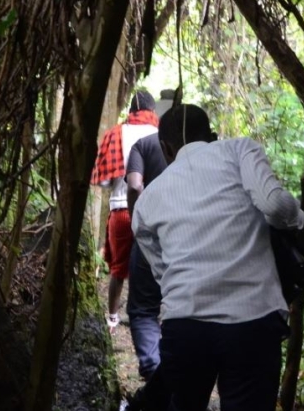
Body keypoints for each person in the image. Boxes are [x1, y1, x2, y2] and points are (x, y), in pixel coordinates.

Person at [131, 105, 304, 411]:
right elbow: (277, 207)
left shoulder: (147, 201)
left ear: (165, 149)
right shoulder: (239, 150)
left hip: (185, 329)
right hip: (253, 322)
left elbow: (162, 273)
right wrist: (298, 219)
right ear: (212, 136)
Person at [91, 90, 159, 332]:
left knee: (118, 270)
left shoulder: (115, 134)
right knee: (154, 266)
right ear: (152, 111)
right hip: (153, 212)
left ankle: (111, 318)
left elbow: (103, 181)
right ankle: (148, 316)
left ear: (130, 111)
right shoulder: (160, 135)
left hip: (121, 210)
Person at [123, 129, 169, 410]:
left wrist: (136, 223)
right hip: (192, 239)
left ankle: (154, 366)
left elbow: (134, 186)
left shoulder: (144, 145)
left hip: (152, 232)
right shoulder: (207, 149)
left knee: (143, 309)